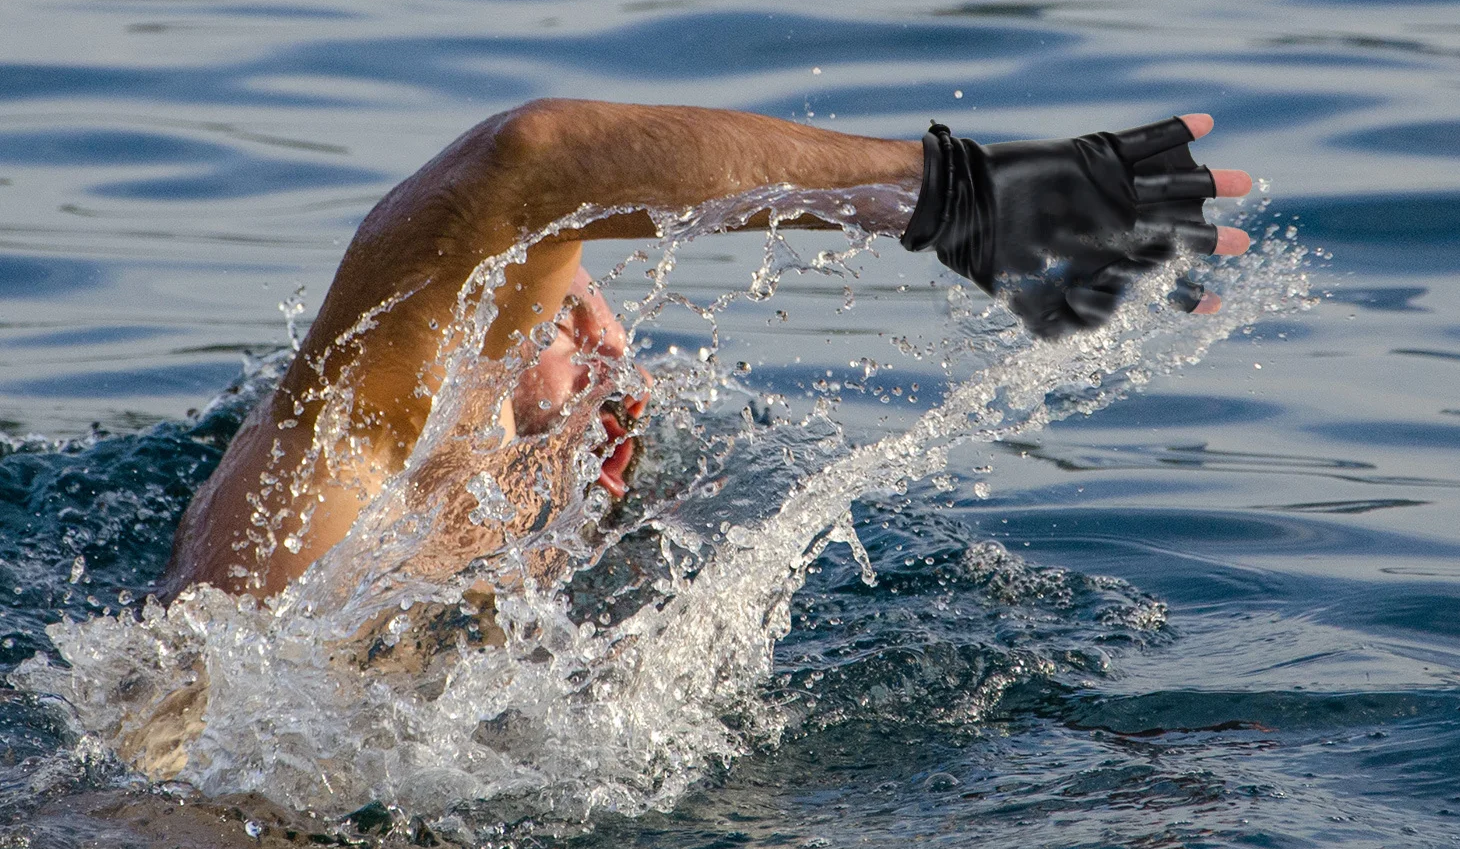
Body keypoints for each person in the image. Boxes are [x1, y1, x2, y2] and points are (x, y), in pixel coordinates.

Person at [160, 100, 1251, 604]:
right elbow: (531, 173)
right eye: (560, 308)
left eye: (592, 321)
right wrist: (953, 194)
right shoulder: (341, 477)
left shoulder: (430, 559)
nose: (606, 338)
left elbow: (531, 174)